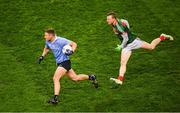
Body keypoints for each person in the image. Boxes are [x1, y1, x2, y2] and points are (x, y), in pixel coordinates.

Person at [106, 12, 174, 85]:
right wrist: (129, 30)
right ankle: (120, 80)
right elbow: (126, 21)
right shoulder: (118, 21)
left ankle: (162, 37)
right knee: (123, 63)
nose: (107, 20)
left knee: (151, 47)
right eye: (107, 19)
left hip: (133, 42)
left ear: (114, 19)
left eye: (108, 19)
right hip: (127, 46)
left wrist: (121, 46)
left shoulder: (119, 27)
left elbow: (126, 38)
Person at [37, 29, 98, 104]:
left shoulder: (61, 40)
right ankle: (91, 77)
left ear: (51, 35)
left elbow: (74, 44)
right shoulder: (48, 41)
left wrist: (72, 51)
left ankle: (55, 98)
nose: (44, 37)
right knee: (75, 78)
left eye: (46, 35)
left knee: (55, 78)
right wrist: (42, 56)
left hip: (65, 62)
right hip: (59, 63)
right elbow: (46, 49)